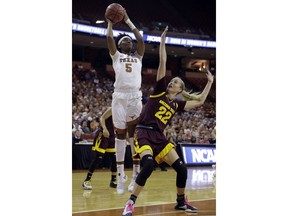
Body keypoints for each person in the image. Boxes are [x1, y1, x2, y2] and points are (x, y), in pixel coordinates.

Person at [122, 26, 214, 216]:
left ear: (180, 90)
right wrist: (163, 41)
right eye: (171, 82)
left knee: (181, 168)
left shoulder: (177, 105)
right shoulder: (159, 92)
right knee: (147, 165)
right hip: (144, 132)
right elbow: (163, 61)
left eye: (175, 84)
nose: (171, 84)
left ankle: (181, 202)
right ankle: (131, 203)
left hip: (160, 137)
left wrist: (210, 83)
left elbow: (201, 101)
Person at [106, 8, 145, 195]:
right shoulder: (117, 56)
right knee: (120, 135)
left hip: (135, 96)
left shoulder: (138, 57)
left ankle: (136, 173)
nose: (128, 41)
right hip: (119, 96)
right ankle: (121, 175)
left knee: (133, 135)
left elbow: (141, 39)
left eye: (129, 40)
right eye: (125, 41)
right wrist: (110, 23)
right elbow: (109, 40)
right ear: (120, 46)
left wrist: (128, 20)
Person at [82, 107, 117, 190]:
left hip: (112, 136)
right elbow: (102, 118)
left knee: (114, 158)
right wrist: (105, 128)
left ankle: (113, 180)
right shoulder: (113, 108)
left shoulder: (125, 111)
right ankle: (87, 180)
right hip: (103, 134)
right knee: (98, 158)